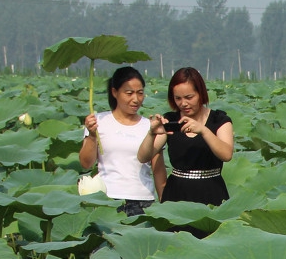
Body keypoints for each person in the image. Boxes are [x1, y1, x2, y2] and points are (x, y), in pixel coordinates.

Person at [137, 67, 233, 205]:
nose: (183, 103)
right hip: (176, 193)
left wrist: (204, 131)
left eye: (189, 97)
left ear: (201, 93)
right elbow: (143, 157)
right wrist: (151, 133)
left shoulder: (219, 120)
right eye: (178, 98)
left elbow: (226, 154)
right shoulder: (170, 120)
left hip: (212, 191)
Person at [79, 66, 166, 216]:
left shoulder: (150, 126)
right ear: (114, 92)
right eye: (129, 93)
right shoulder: (98, 122)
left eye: (140, 93)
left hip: (142, 200)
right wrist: (92, 135)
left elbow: (158, 171)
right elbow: (86, 163)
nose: (136, 99)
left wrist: (165, 207)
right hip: (107, 198)